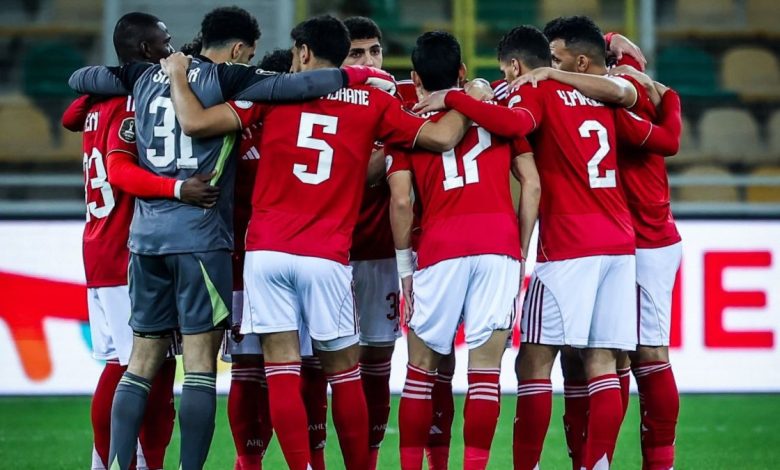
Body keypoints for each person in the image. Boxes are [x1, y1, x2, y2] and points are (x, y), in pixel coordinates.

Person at [67, 6, 395, 469]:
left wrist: (153, 74)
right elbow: (298, 87)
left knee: (138, 365)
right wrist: (362, 78)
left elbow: (82, 84)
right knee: (202, 368)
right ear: (240, 50)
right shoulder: (228, 80)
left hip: (144, 242)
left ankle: (116, 466)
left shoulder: (139, 78)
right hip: (204, 240)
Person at [161, 14, 473, 470]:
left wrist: (176, 75)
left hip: (266, 252)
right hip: (327, 256)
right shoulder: (373, 101)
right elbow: (444, 137)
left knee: (282, 369)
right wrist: (468, 97)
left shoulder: (272, 93)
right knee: (344, 374)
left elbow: (194, 121)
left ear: (304, 53)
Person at [413, 24, 680, 470]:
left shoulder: (536, 90)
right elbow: (663, 136)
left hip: (570, 244)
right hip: (620, 242)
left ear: (516, 66)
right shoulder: (606, 94)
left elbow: (516, 123)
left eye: (505, 71)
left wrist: (458, 98)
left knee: (533, 363)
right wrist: (659, 88)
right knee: (602, 361)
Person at [60, 12, 217, 470]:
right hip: (123, 251)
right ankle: (116, 463)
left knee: (136, 366)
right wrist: (177, 188)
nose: (172, 50)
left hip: (101, 245)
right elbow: (120, 171)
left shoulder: (98, 102)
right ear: (147, 51)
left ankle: (125, 462)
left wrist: (104, 82)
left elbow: (70, 115)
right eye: (165, 43)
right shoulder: (135, 101)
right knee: (136, 369)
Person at [387, 31, 539, 470]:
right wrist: (519, 250)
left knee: (420, 372)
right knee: (485, 374)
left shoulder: (408, 125)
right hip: (498, 248)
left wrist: (405, 269)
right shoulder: (495, 116)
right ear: (462, 72)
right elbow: (532, 185)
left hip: (440, 248)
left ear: (415, 77)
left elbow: (401, 201)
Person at [535, 16, 682, 470]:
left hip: (646, 239)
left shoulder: (621, 96)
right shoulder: (607, 91)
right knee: (586, 357)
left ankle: (656, 464)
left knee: (644, 355)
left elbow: (667, 138)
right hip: (610, 238)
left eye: (556, 58)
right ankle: (590, 461)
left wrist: (554, 74)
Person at [220, 48, 294, 470]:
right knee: (248, 369)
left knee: (296, 370)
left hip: (292, 258)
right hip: (242, 264)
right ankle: (248, 462)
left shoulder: (301, 128)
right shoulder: (239, 129)